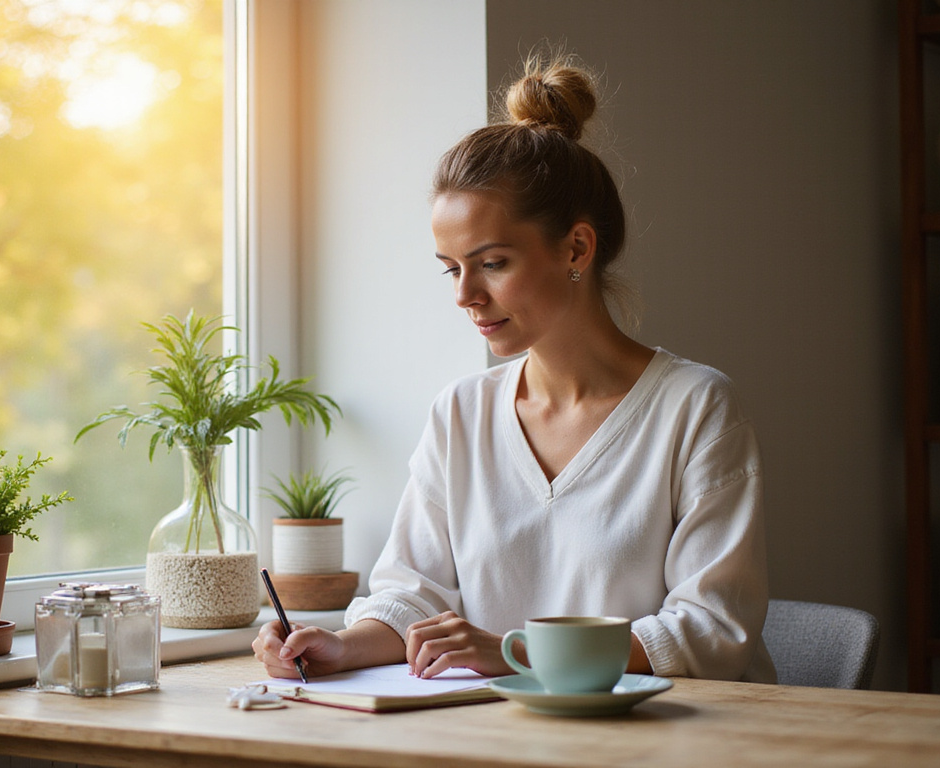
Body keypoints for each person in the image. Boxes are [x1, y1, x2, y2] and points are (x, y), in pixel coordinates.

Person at [253, 53, 775, 684]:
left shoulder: (695, 409)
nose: (464, 295)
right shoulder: (461, 413)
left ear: (577, 247)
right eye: (452, 268)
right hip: (504, 740)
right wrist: (342, 645)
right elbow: (413, 594)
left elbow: (710, 633)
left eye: (492, 263)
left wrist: (515, 651)